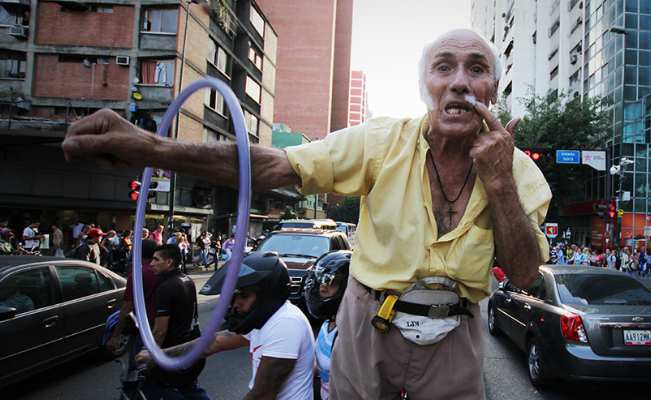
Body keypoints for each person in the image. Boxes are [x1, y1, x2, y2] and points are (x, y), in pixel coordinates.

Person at [63, 28, 550, 399]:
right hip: (369, 324)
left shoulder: (519, 173)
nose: (460, 83)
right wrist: (153, 147)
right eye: (444, 68)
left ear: (494, 87)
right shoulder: (383, 141)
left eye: (476, 69)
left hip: (457, 330)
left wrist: (500, 181)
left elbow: (526, 273)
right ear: (426, 84)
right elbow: (277, 164)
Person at [138, 252, 314, 400]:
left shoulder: (285, 323)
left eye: (244, 296)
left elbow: (263, 393)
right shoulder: (265, 320)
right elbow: (215, 342)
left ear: (268, 295)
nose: (236, 304)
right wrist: (159, 355)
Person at [138, 244, 211, 399]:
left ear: (169, 262)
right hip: (186, 343)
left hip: (172, 348)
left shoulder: (166, 288)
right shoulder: (186, 280)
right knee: (184, 387)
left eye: (156, 259)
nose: (151, 263)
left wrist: (151, 353)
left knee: (178, 388)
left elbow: (160, 330)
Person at [107, 239, 163, 400]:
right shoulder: (167, 272)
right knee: (159, 375)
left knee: (136, 374)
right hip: (163, 330)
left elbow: (127, 308)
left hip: (143, 331)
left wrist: (116, 335)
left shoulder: (138, 274)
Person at [305, 251, 352, 400]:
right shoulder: (327, 324)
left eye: (332, 282)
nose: (323, 287)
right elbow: (322, 368)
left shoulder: (347, 333)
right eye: (322, 280)